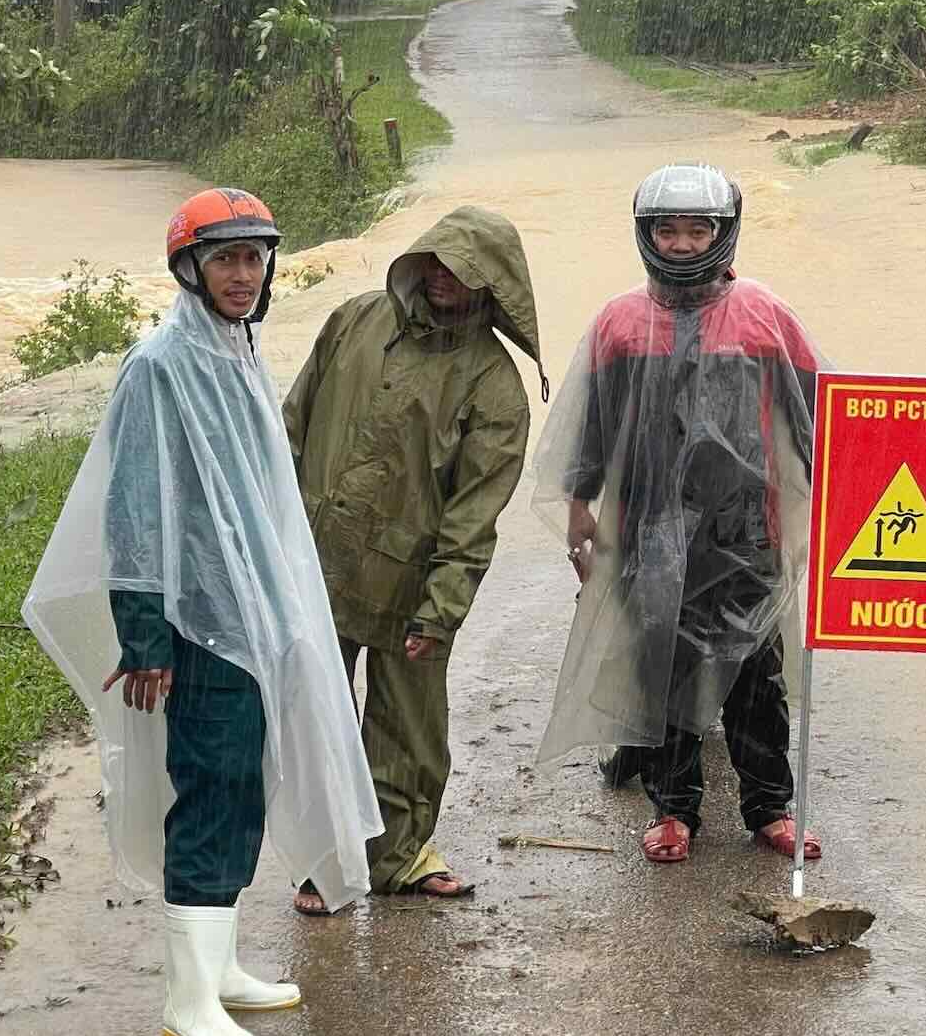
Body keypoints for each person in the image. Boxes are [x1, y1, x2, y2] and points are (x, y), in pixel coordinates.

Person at [23, 188, 382, 1036]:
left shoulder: (237, 349)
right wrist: (146, 633)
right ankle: (186, 1001)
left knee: (243, 784)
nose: (243, 273)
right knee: (211, 786)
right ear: (189, 267)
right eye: (225, 257)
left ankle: (217, 966)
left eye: (255, 257)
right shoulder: (160, 364)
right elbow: (136, 510)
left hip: (252, 612)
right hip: (198, 623)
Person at [532, 163, 828, 864]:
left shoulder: (765, 313)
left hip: (748, 526)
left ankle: (768, 806)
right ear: (645, 232)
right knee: (661, 667)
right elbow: (594, 427)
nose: (685, 243)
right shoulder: (621, 322)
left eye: (701, 229)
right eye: (669, 228)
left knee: (758, 673)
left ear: (725, 233)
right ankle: (673, 809)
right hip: (648, 531)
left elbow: (816, 409)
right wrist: (579, 504)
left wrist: (835, 494)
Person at [283, 206, 545, 911]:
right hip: (315, 564)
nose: (440, 277)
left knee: (409, 729)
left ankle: (397, 855)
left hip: (411, 583)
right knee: (317, 720)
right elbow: (291, 426)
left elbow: (473, 517)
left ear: (492, 284)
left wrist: (442, 608)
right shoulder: (355, 320)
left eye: (460, 269)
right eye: (433, 260)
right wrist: (266, 543)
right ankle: (322, 858)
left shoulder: (494, 387)